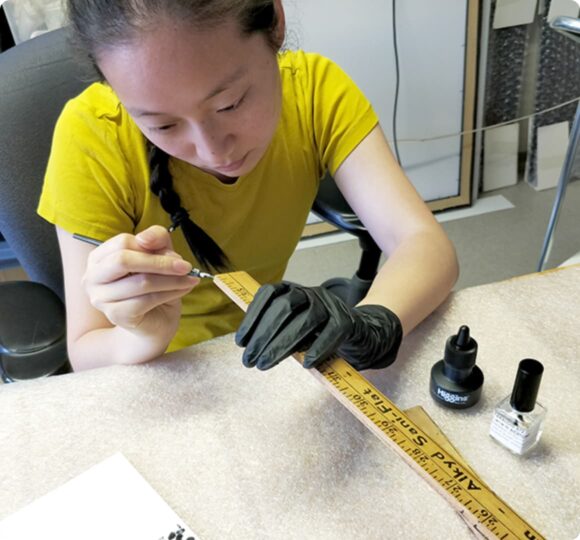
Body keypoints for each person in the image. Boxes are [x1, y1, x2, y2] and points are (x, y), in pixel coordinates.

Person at [38, 0, 458, 372]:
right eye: (162, 125)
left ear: (274, 23)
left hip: (267, 357)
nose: (212, 149)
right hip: (155, 372)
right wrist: (142, 335)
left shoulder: (316, 93)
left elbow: (424, 244)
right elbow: (85, 350)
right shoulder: (93, 137)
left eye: (230, 103)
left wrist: (373, 322)